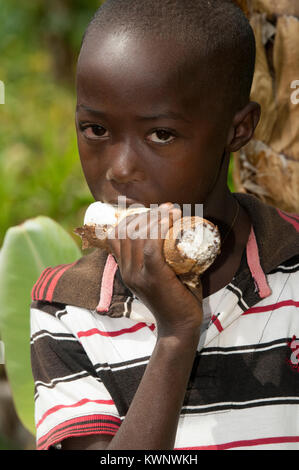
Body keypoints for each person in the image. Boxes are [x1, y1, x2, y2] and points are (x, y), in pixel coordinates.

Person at [30, 0, 299, 450]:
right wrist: (175, 337)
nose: (119, 169)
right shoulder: (67, 308)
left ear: (238, 130)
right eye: (95, 130)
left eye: (161, 135)